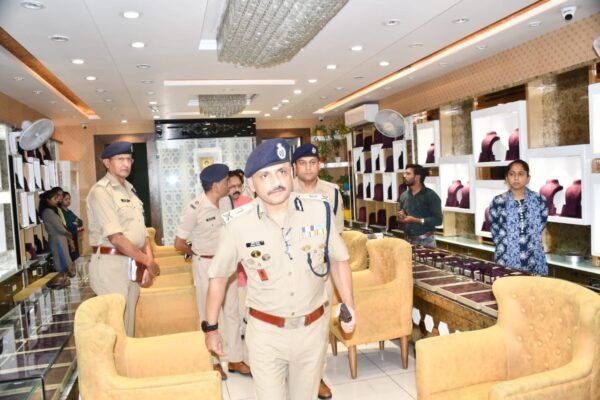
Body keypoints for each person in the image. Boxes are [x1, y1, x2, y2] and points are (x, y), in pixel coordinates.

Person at [204, 139, 356, 400]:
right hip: (266, 334)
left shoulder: (319, 211)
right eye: (265, 175)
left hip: (312, 331)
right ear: (251, 184)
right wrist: (211, 328)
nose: (276, 181)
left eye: (281, 171)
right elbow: (218, 278)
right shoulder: (237, 225)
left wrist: (350, 306)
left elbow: (339, 260)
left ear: (291, 173)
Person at [174, 164, 250, 380]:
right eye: (226, 181)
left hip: (228, 264)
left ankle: (235, 358)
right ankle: (213, 362)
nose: (229, 184)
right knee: (207, 315)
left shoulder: (227, 202)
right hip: (206, 264)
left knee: (233, 312)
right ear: (216, 185)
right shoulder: (194, 208)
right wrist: (196, 253)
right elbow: (179, 243)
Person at [86, 141, 160, 337]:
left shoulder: (129, 190)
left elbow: (142, 233)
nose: (126, 164)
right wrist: (147, 262)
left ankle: (128, 358)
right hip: (111, 264)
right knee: (116, 327)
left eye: (129, 159)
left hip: (132, 263)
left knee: (128, 324)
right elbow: (116, 238)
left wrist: (147, 261)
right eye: (120, 159)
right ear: (107, 163)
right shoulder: (101, 191)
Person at [291, 143, 344, 400]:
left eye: (313, 163)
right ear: (295, 167)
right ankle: (293, 373)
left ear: (319, 165)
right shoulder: (285, 191)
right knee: (293, 325)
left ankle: (317, 376)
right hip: (293, 270)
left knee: (320, 326)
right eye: (303, 163)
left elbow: (338, 233)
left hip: (322, 269)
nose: (308, 168)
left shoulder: (332, 192)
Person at [489, 159, 548, 275]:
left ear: (528, 178)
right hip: (506, 257)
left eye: (520, 174)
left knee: (534, 286)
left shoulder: (540, 200)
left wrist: (527, 241)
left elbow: (541, 226)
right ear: (506, 178)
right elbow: (494, 229)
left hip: (534, 257)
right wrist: (510, 244)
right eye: (512, 174)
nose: (516, 178)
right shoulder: (498, 201)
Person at [397, 163, 442, 247]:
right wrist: (401, 217)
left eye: (408, 174)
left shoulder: (431, 195)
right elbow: (401, 218)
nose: (404, 176)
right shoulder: (403, 195)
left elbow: (438, 220)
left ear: (417, 177)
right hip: (407, 241)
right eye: (404, 173)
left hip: (426, 241)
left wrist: (415, 220)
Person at [39, 187, 73, 280]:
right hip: (57, 240)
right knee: (62, 262)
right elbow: (59, 227)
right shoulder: (48, 212)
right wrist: (67, 233)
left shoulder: (52, 210)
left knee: (65, 260)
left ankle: (66, 279)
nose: (57, 201)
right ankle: (63, 280)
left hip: (60, 239)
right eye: (55, 199)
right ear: (48, 200)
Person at [60, 191, 83, 261]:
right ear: (61, 200)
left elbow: (80, 222)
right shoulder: (61, 212)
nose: (68, 201)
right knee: (71, 258)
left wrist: (75, 223)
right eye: (66, 199)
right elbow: (68, 225)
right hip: (68, 238)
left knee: (76, 258)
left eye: (69, 199)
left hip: (74, 236)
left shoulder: (69, 212)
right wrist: (75, 223)